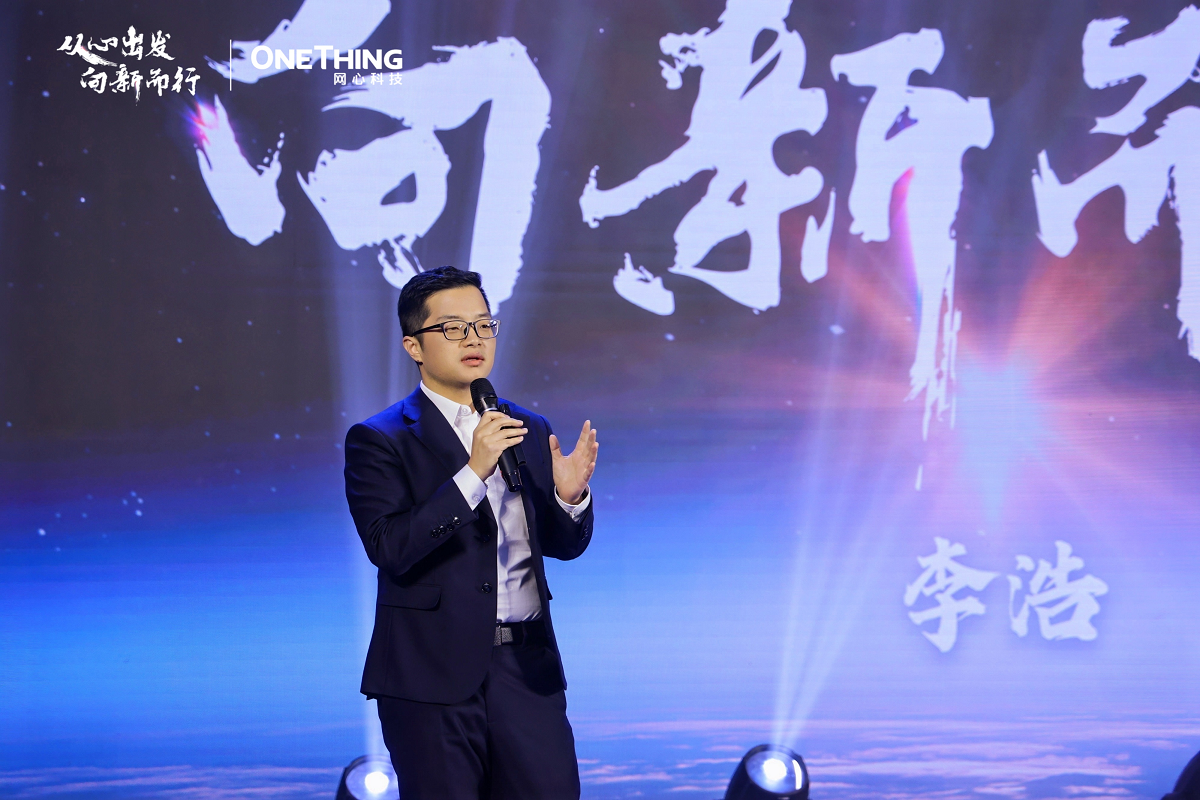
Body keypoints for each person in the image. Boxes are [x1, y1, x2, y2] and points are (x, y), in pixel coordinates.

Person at [343, 265, 598, 799]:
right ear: (414, 346)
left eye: (484, 325)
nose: (474, 339)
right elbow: (390, 547)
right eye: (453, 328)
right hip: (430, 674)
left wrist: (569, 499)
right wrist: (472, 473)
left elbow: (562, 547)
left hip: (526, 669)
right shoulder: (379, 439)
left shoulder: (528, 428)